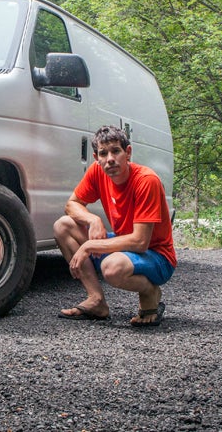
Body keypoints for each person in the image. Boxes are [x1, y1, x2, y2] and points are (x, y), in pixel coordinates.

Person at [53, 125, 176, 326]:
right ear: (96, 158)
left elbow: (140, 242)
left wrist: (89, 246)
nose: (110, 158)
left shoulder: (146, 181)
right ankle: (97, 301)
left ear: (127, 153)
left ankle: (150, 291)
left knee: (111, 268)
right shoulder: (97, 172)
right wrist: (93, 219)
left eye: (116, 151)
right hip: (124, 247)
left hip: (158, 256)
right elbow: (72, 204)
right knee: (63, 226)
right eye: (103, 153)